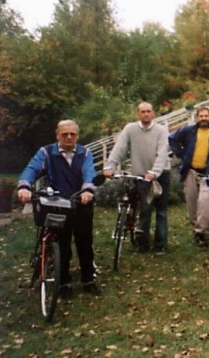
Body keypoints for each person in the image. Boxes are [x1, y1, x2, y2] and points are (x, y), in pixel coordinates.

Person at [17, 120, 99, 296]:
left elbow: (89, 172)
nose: (69, 137)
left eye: (73, 134)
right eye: (64, 134)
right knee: (61, 243)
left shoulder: (85, 153)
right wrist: (24, 186)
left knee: (85, 241)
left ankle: (88, 279)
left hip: (80, 200)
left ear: (77, 135)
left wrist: (87, 190)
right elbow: (32, 169)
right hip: (57, 203)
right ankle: (63, 282)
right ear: (57, 135)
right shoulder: (46, 153)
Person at [103, 102, 171, 254]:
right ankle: (142, 244)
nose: (146, 114)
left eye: (148, 111)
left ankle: (160, 245)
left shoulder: (161, 130)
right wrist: (110, 166)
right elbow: (119, 149)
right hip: (141, 175)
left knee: (161, 210)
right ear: (138, 114)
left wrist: (154, 172)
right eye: (142, 112)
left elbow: (162, 154)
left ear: (153, 113)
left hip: (161, 174)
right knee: (145, 210)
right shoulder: (130, 129)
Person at [168, 106, 209, 244]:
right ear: (197, 117)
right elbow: (172, 138)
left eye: (206, 116)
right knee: (191, 202)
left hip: (208, 172)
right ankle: (196, 230)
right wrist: (181, 153)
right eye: (201, 116)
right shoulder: (188, 131)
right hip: (190, 171)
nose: (204, 118)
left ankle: (202, 232)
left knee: (205, 201)